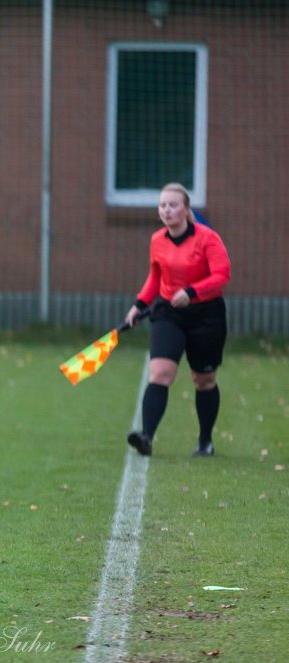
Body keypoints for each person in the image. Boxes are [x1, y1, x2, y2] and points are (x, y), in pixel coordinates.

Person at [123, 182, 232, 458]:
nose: (167, 210)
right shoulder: (157, 240)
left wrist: (192, 292)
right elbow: (156, 277)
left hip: (206, 316)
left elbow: (222, 275)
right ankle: (146, 437)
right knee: (160, 372)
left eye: (173, 205)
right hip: (168, 312)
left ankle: (205, 441)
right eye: (162, 205)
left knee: (204, 380)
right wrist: (139, 305)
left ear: (185, 209)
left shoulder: (207, 238)